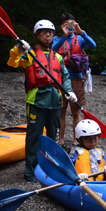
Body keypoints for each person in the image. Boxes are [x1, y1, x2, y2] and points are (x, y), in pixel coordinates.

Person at [7, 20, 75, 180]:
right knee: (34, 137)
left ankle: (51, 169)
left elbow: (64, 76)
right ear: (37, 35)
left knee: (54, 138)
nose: (48, 34)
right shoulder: (30, 55)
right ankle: (30, 171)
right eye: (44, 32)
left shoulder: (57, 57)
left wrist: (69, 91)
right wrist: (17, 48)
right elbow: (12, 62)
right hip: (36, 102)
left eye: (50, 32)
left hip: (55, 102)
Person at [52, 14, 96, 147]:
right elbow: (52, 50)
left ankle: (76, 139)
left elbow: (93, 45)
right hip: (60, 80)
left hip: (76, 79)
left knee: (76, 111)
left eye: (71, 23)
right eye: (66, 24)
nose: (69, 26)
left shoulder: (80, 39)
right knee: (61, 111)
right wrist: (65, 36)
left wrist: (81, 32)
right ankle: (60, 139)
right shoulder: (56, 39)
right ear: (61, 26)